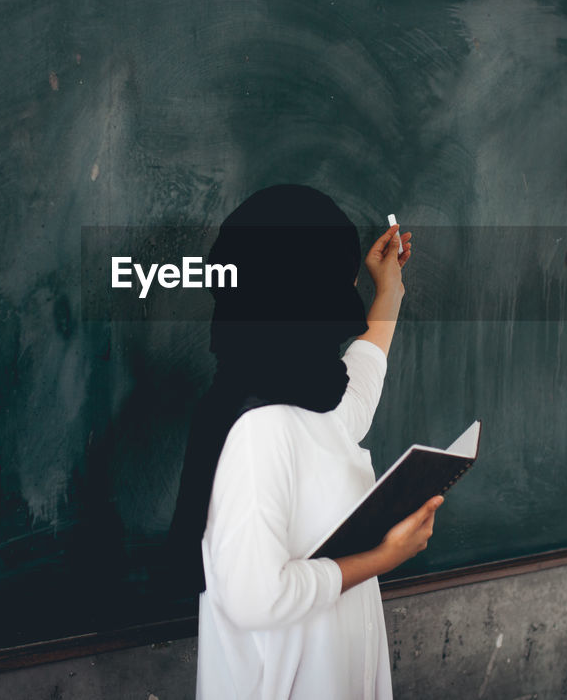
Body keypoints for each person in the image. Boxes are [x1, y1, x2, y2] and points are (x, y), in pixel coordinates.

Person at [168, 184, 440, 699]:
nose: (351, 285)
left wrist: (391, 291)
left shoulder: (313, 402)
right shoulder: (258, 427)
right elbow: (255, 598)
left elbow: (359, 385)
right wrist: (386, 557)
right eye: (340, 274)